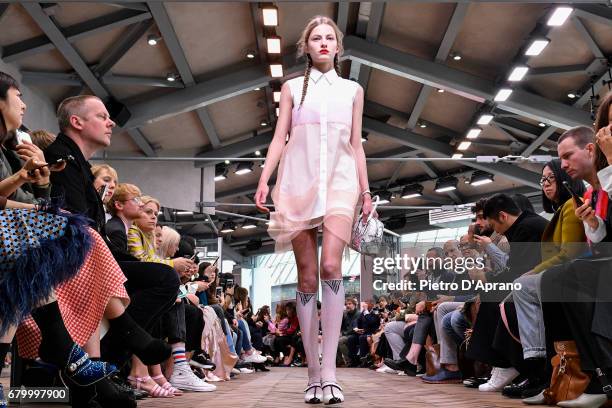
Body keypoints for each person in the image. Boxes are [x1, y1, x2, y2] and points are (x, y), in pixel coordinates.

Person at [254, 15, 372, 404]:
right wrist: (264, 178)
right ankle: (313, 373)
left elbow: (356, 143)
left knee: (331, 267)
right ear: (306, 47)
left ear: (338, 46)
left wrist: (367, 191)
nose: (323, 43)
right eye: (316, 38)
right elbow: (279, 137)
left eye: (329, 38)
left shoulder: (353, 89)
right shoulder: (291, 88)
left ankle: (332, 373)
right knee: (306, 277)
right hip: (297, 182)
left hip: (341, 182)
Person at [509, 159, 587, 399]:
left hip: (574, 274)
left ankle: (537, 365)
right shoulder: (561, 210)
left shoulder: (571, 207)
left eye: (549, 178)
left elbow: (569, 253)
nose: (544, 184)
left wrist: (534, 271)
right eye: (542, 180)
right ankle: (536, 368)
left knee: (522, 285)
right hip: (563, 275)